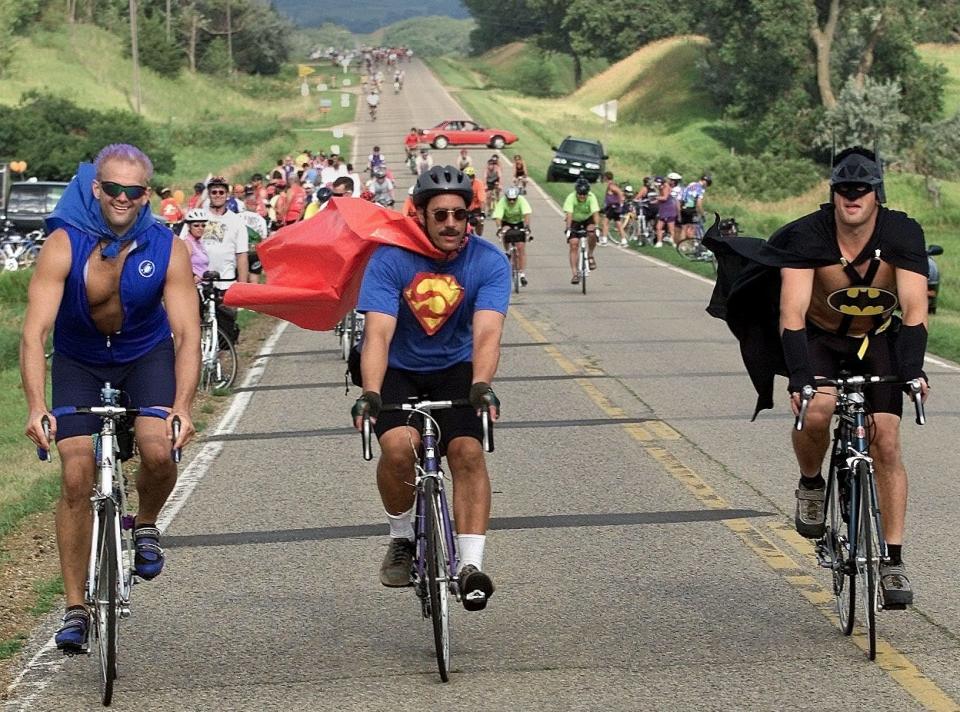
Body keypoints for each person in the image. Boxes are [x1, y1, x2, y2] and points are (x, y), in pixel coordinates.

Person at [704, 146, 929, 607]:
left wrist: (912, 372)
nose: (852, 198)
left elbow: (914, 309)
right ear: (833, 193)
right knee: (819, 408)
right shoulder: (809, 235)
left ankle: (893, 562)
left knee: (886, 438)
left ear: (876, 193)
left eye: (861, 190)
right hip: (820, 338)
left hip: (876, 342)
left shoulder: (902, 232)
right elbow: (791, 311)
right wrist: (799, 378)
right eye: (844, 189)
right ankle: (811, 483)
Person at [20, 143, 200, 653]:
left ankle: (144, 525)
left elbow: (187, 334)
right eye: (113, 189)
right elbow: (34, 333)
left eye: (134, 191)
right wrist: (37, 405)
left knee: (159, 449)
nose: (122, 198)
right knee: (76, 474)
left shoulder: (167, 246)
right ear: (97, 188)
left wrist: (183, 408)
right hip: (78, 359)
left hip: (144, 355)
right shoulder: (63, 243)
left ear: (147, 194)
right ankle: (75, 608)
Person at [350, 165, 510, 610]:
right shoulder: (390, 259)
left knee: (467, 452)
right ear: (419, 215)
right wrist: (371, 392)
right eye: (440, 215)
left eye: (459, 215)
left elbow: (487, 334)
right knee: (400, 446)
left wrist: (481, 385)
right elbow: (378, 333)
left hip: (456, 368)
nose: (451, 225)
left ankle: (470, 567)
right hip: (397, 369)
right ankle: (401, 537)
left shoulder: (488, 261)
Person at [202, 176, 249, 288]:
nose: (217, 195)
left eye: (221, 192)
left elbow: (242, 255)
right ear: (209, 194)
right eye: (214, 192)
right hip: (201, 280)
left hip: (226, 280)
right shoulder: (199, 217)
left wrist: (242, 287)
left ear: (227, 194)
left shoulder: (237, 221)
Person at [493, 185, 533, 285]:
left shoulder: (521, 200)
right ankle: (507, 251)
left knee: (521, 248)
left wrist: (527, 226)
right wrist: (499, 228)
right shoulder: (502, 202)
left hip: (519, 223)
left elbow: (527, 213)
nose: (511, 202)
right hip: (506, 222)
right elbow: (498, 216)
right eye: (509, 199)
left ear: (517, 198)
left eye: (513, 200)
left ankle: (522, 274)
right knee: (504, 232)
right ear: (506, 197)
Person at [563, 178, 600, 284]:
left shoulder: (592, 197)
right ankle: (575, 274)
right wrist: (568, 228)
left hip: (588, 219)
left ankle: (590, 255)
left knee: (592, 233)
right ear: (576, 192)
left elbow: (595, 213)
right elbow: (569, 214)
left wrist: (597, 226)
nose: (582, 196)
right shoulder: (571, 197)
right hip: (575, 220)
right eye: (580, 194)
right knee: (573, 244)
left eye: (584, 194)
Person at [180, 207, 210, 282]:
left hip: (204, 286)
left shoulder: (199, 243)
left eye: (203, 225)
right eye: (196, 225)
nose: (200, 228)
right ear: (189, 226)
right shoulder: (187, 243)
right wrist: (193, 276)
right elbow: (182, 265)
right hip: (193, 287)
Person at [680, 174, 712, 240]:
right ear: (705, 182)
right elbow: (699, 204)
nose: (707, 186)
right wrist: (702, 214)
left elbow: (683, 195)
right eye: (707, 184)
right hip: (692, 209)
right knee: (692, 228)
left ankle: (682, 246)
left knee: (684, 228)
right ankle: (691, 245)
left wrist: (681, 206)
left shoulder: (691, 184)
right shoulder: (701, 189)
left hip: (683, 207)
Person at [655, 173, 680, 247]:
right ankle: (659, 242)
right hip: (663, 209)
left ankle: (673, 243)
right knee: (658, 227)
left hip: (669, 209)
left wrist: (656, 197)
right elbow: (660, 198)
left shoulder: (666, 187)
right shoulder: (661, 187)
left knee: (671, 228)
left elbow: (665, 197)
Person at [601, 171, 625, 247]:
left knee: (605, 222)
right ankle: (623, 240)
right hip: (614, 207)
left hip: (613, 207)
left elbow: (620, 192)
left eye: (604, 177)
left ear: (606, 177)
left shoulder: (611, 186)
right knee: (618, 223)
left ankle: (604, 240)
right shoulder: (611, 185)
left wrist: (621, 202)